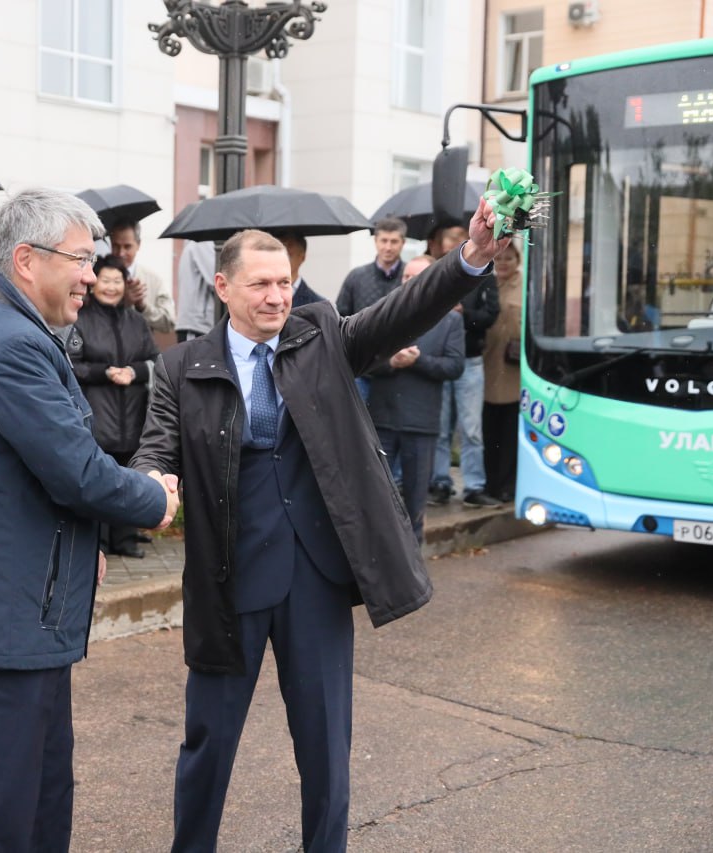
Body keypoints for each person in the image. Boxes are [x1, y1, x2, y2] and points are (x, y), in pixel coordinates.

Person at [130, 201, 508, 852]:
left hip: (316, 577)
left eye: (284, 283)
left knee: (327, 748)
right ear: (223, 288)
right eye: (261, 284)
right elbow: (154, 449)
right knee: (208, 745)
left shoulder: (321, 335)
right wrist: (149, 484)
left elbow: (402, 311)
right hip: (230, 581)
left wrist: (470, 256)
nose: (278, 296)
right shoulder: (181, 368)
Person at [0, 188, 178, 852]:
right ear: (26, 260)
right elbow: (76, 469)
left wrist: (82, 537)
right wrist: (154, 498)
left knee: (38, 806)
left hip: (23, 619)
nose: (92, 276)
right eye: (80, 259)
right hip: (7, 625)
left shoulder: (17, 333)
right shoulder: (11, 346)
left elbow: (40, 477)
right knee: (0, 820)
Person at [366, 254, 465, 542]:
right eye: (405, 277)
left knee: (414, 503)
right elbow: (363, 361)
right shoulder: (383, 313)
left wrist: (418, 361)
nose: (408, 282)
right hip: (382, 420)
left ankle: (413, 567)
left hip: (421, 423)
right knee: (375, 497)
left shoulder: (451, 321)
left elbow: (455, 366)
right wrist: (391, 363)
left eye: (416, 277)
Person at [70, 254, 161, 559]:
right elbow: (72, 366)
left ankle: (125, 540)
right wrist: (104, 372)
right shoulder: (80, 319)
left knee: (129, 474)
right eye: (105, 280)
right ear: (94, 283)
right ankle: (98, 542)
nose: (111, 287)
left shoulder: (136, 320)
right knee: (100, 478)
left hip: (132, 412)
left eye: (117, 281)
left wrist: (135, 372)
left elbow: (155, 360)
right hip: (98, 412)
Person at [429, 224, 502, 509]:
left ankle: (473, 486)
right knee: (440, 427)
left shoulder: (484, 274)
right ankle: (440, 483)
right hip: (441, 359)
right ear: (441, 244)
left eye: (461, 239)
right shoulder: (435, 272)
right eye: (450, 239)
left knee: (471, 428)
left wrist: (464, 314)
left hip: (470, 360)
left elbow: (490, 315)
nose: (454, 244)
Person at [335, 216, 407, 399]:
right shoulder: (356, 277)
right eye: (383, 240)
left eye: (394, 241)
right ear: (375, 241)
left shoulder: (410, 276)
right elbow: (341, 318)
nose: (388, 247)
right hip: (362, 367)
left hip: (402, 368)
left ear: (403, 243)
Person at [482, 240, 523, 503]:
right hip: (487, 365)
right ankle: (491, 483)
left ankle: (508, 485)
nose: (503, 263)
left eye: (509, 258)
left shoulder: (526, 286)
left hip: (514, 369)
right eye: (499, 259)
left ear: (517, 260)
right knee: (489, 431)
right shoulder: (486, 285)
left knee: (510, 432)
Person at [108, 218, 175, 334]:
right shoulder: (97, 277)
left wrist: (143, 307)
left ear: (138, 245)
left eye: (127, 246)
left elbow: (169, 323)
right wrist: (123, 303)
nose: (121, 253)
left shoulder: (153, 280)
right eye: (116, 246)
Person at [174, 239, 216, 342]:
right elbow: (217, 280)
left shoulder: (195, 243)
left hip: (197, 324)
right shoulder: (202, 243)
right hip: (198, 325)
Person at [273, 230, 326, 307]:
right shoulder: (258, 296)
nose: (283, 253)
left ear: (302, 256)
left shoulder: (318, 305)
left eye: (289, 245)